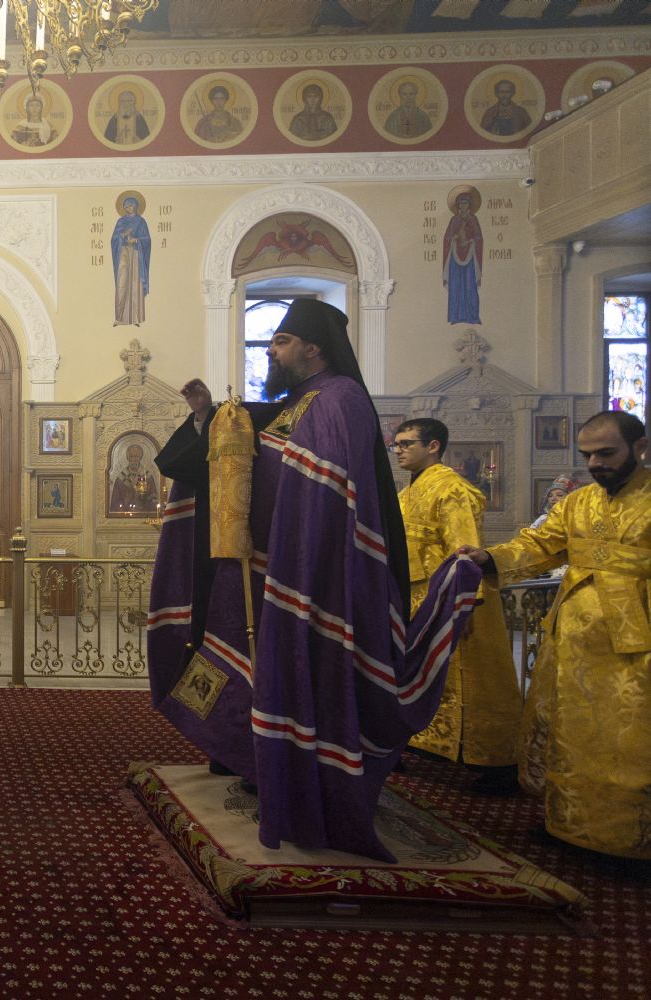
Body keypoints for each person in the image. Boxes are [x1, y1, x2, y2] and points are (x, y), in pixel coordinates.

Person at [146, 300, 481, 861]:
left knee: (303, 669)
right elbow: (250, 454)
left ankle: (303, 782)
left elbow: (323, 492)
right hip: (272, 570)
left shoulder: (340, 399)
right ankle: (260, 765)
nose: (271, 351)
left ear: (312, 347)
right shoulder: (295, 403)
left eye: (280, 341)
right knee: (258, 667)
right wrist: (208, 418)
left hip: (314, 579)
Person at [458, 411, 650, 862]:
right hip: (573, 637)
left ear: (640, 448)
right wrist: (489, 557)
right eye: (588, 455)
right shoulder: (577, 503)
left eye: (606, 453)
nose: (595, 463)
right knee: (571, 732)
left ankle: (628, 838)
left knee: (627, 738)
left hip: (637, 642)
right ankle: (568, 824)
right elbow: (538, 544)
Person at [392, 417, 519, 794]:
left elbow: (465, 550)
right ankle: (423, 743)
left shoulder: (453, 488)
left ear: (433, 446)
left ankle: (496, 763)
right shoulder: (406, 493)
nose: (398, 450)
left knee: (473, 681)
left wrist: (463, 604)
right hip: (419, 599)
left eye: (406, 443)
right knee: (423, 673)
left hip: (455, 599)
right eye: (396, 444)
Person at [442, 186, 483, 325]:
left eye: (465, 203)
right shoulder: (454, 220)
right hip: (455, 257)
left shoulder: (473, 220)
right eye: (461, 203)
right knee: (456, 286)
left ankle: (472, 316)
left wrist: (472, 240)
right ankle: (455, 316)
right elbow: (447, 238)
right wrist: (453, 238)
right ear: (458, 206)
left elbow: (479, 238)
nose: (463, 206)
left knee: (470, 286)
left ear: (469, 205)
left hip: (470, 256)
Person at [111, 196, 151, 326]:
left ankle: (135, 318)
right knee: (122, 283)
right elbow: (114, 239)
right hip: (123, 254)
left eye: (131, 206)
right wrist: (122, 235)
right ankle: (120, 318)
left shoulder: (141, 222)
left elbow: (147, 240)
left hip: (136, 255)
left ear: (136, 206)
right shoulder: (121, 221)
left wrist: (136, 240)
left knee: (135, 285)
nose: (129, 208)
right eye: (127, 207)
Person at [108, 442, 154, 514]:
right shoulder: (121, 478)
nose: (133, 459)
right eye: (131, 456)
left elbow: (153, 500)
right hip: (125, 514)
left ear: (140, 457)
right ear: (127, 458)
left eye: (136, 456)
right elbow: (115, 502)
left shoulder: (147, 476)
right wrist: (128, 493)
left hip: (143, 513)